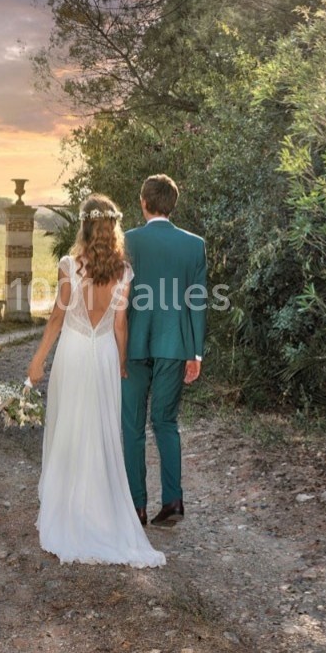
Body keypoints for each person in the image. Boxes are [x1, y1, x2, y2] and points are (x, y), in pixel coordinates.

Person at [25, 194, 166, 568]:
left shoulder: (69, 265)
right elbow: (120, 325)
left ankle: (67, 510)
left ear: (84, 225)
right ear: (113, 227)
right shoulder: (124, 272)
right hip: (103, 354)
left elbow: (57, 317)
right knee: (102, 431)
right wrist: (121, 363)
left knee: (69, 427)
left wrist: (38, 359)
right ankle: (101, 515)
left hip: (72, 351)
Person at [121, 174, 207, 527]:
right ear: (173, 204)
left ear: (143, 202)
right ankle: (173, 500)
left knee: (132, 425)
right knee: (166, 421)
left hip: (133, 343)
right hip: (176, 343)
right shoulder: (194, 245)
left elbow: (119, 298)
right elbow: (198, 301)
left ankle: (136, 507)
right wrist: (196, 353)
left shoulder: (126, 241)